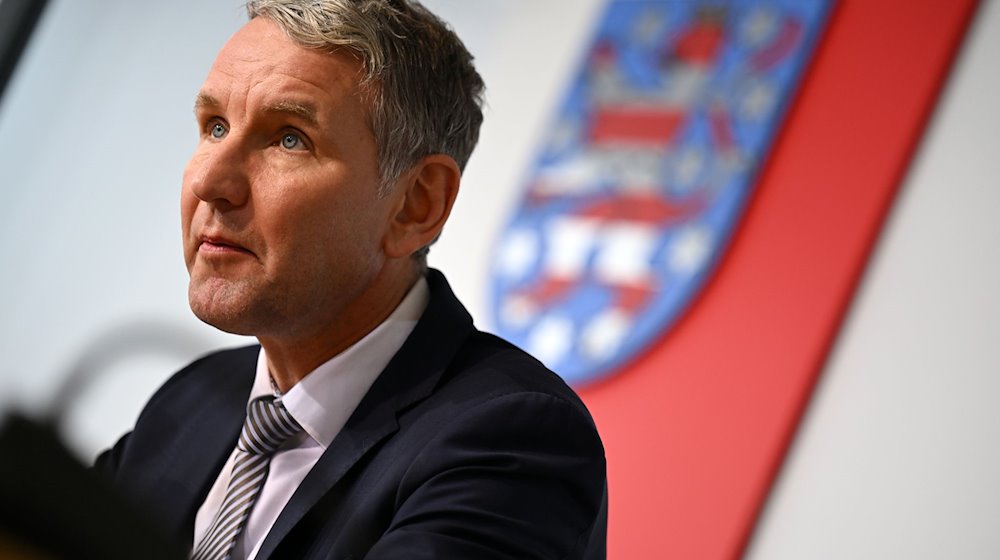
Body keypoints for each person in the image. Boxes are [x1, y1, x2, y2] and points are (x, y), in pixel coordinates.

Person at [94, 1, 607, 559]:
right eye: (214, 126)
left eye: (289, 138)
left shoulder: (509, 441)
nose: (212, 181)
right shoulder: (190, 403)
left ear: (415, 205)